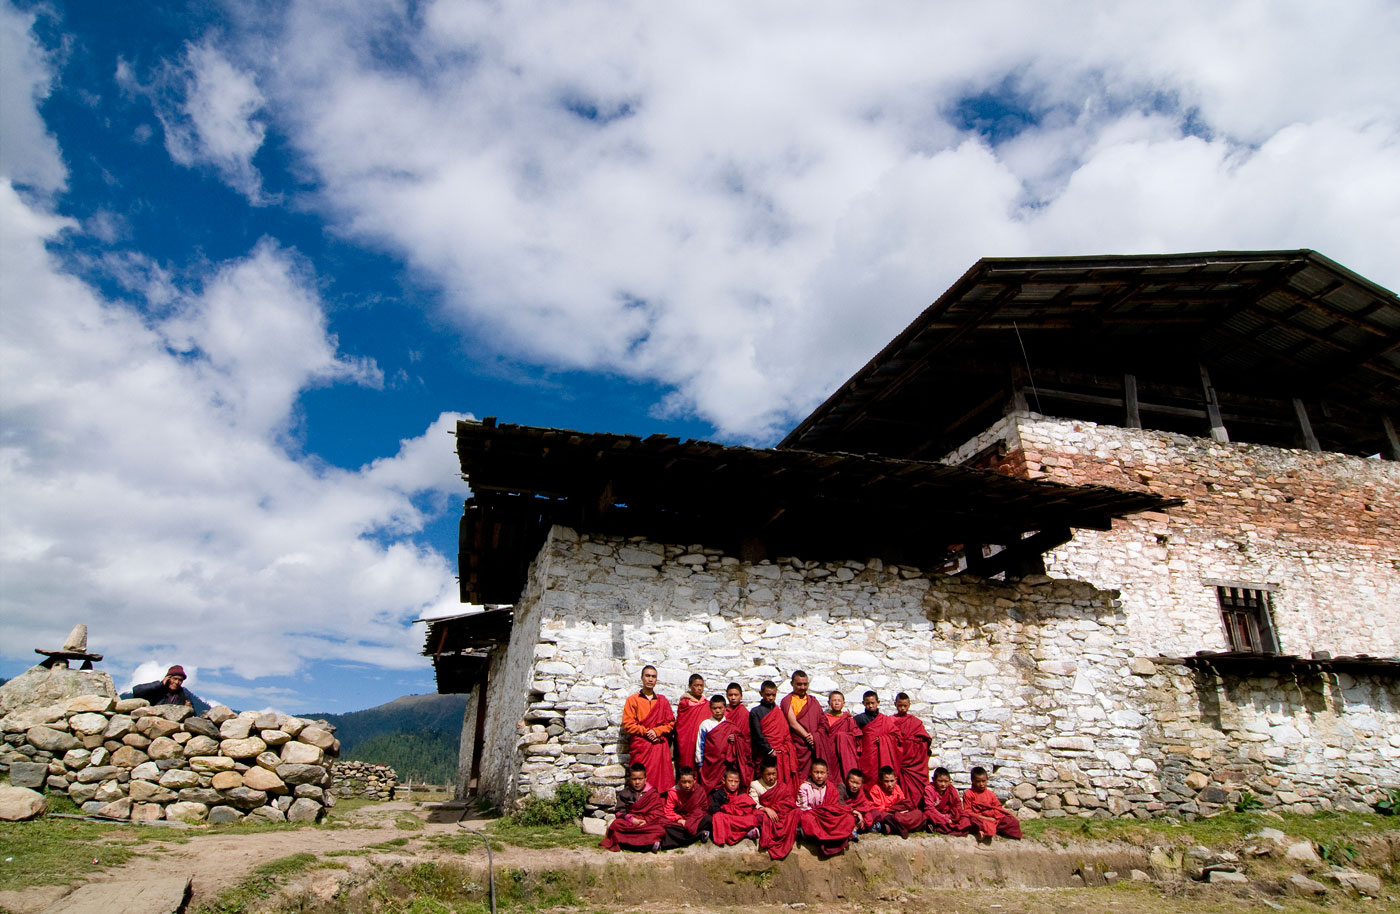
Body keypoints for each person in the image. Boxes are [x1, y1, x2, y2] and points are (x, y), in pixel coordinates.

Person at [622, 665, 676, 792]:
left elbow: (671, 723)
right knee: (640, 778)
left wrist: (657, 731)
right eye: (647, 676)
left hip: (658, 746)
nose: (650, 679)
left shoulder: (663, 701)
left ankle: (660, 806)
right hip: (642, 746)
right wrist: (646, 732)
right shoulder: (632, 700)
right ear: (642, 678)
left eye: (653, 676)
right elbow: (628, 724)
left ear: (656, 680)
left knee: (660, 780)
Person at [796, 759, 856, 857]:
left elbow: (834, 807)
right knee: (806, 819)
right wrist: (819, 813)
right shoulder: (804, 787)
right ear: (811, 773)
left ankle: (814, 835)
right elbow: (803, 809)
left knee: (848, 817)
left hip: (827, 816)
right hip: (813, 816)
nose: (819, 776)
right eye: (816, 772)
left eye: (822, 773)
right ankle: (815, 834)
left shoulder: (830, 787)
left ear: (827, 773)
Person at [601, 763, 668, 851]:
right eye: (634, 779)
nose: (637, 782)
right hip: (630, 823)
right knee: (616, 825)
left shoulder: (652, 794)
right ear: (630, 779)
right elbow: (619, 812)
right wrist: (631, 820)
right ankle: (648, 844)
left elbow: (658, 813)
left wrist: (645, 821)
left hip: (646, 823)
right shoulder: (625, 793)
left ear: (645, 779)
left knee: (660, 829)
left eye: (640, 779)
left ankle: (627, 843)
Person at [749, 758, 800, 860]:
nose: (772, 777)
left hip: (780, 815)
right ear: (762, 774)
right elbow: (753, 804)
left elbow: (790, 803)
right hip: (767, 815)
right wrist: (766, 809)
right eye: (768, 774)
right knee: (759, 816)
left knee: (797, 812)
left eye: (774, 774)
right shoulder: (755, 785)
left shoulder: (782, 786)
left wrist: (775, 809)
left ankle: (796, 831)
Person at [749, 680, 796, 787]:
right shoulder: (755, 712)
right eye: (768, 695)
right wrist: (770, 750)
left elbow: (785, 733)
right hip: (765, 754)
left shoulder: (778, 711)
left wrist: (785, 749)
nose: (771, 698)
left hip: (781, 753)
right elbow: (757, 734)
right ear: (761, 694)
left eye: (773, 695)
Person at [780, 670, 823, 784]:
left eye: (805, 684)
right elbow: (792, 722)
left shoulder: (813, 701)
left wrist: (815, 737)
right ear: (792, 684)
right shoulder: (787, 701)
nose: (802, 687)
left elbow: (822, 722)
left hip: (814, 744)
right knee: (798, 776)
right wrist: (807, 737)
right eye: (799, 684)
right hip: (798, 743)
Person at [890, 692, 932, 802]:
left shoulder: (915, 722)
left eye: (905, 705)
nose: (903, 708)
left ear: (909, 705)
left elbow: (925, 741)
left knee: (916, 790)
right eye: (900, 705)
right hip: (898, 761)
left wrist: (914, 743)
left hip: (913, 764)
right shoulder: (890, 721)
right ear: (895, 704)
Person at [814, 691, 860, 786]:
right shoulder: (824, 718)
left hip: (842, 754)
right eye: (834, 700)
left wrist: (842, 737)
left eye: (839, 700)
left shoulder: (848, 720)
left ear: (843, 703)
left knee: (841, 779)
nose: (836, 702)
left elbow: (856, 737)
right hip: (827, 752)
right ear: (829, 703)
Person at [964, 766, 1023, 840]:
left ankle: (987, 830)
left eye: (983, 781)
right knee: (970, 821)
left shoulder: (990, 794)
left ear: (987, 780)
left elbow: (998, 807)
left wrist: (991, 815)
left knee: (1012, 822)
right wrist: (985, 817)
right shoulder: (969, 793)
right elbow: (968, 812)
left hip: (993, 818)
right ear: (972, 781)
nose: (981, 784)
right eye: (978, 781)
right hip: (978, 818)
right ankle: (983, 830)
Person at [854, 691, 899, 788]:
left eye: (872, 703)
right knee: (868, 777)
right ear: (863, 703)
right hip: (867, 755)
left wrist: (884, 740)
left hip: (882, 755)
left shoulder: (885, 720)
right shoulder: (859, 719)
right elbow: (853, 736)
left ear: (878, 702)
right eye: (867, 703)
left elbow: (896, 736)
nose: (870, 706)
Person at [867, 765, 927, 837]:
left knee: (918, 813)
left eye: (892, 781)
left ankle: (893, 828)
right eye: (886, 781)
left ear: (896, 779)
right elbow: (879, 809)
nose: (890, 784)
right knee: (886, 816)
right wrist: (893, 810)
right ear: (880, 780)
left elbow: (903, 803)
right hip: (888, 815)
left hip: (899, 815)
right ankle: (907, 827)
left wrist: (900, 810)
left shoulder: (897, 787)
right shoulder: (875, 789)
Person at [709, 767, 761, 846]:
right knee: (718, 817)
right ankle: (745, 834)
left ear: (739, 782)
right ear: (723, 781)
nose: (733, 784)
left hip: (738, 819)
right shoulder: (718, 794)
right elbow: (714, 809)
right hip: (727, 819)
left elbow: (748, 807)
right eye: (730, 781)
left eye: (736, 781)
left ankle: (743, 833)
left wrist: (736, 810)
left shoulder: (741, 793)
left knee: (752, 818)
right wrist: (727, 808)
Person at [660, 767, 711, 848]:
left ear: (694, 780)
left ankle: (680, 839)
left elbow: (703, 808)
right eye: (684, 782)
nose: (687, 785)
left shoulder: (699, 790)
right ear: (678, 782)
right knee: (665, 825)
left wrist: (691, 820)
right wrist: (679, 820)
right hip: (680, 821)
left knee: (708, 819)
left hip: (694, 819)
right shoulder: (674, 792)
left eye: (690, 782)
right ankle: (699, 834)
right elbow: (668, 811)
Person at [923, 767, 976, 835]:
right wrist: (945, 818)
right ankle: (951, 827)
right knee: (928, 814)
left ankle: (945, 827)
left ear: (949, 781)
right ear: (934, 780)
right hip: (937, 815)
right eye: (940, 781)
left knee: (964, 816)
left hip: (949, 816)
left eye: (946, 781)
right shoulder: (929, 789)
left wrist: (951, 816)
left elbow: (957, 805)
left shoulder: (951, 789)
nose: (943, 784)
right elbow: (929, 808)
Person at [674, 673, 710, 775]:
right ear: (690, 686)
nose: (699, 688)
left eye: (701, 686)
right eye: (696, 685)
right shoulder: (684, 704)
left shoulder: (707, 705)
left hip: (703, 742)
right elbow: (681, 725)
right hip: (688, 741)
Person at [838, 767, 877, 834]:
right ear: (847, 780)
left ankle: (860, 827)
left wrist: (861, 812)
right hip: (847, 812)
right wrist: (854, 811)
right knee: (848, 818)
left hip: (857, 812)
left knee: (875, 813)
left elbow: (864, 804)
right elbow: (838, 804)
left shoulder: (859, 791)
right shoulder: (841, 788)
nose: (855, 786)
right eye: (852, 782)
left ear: (861, 784)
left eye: (858, 783)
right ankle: (856, 829)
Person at [695, 695, 727, 766]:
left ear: (725, 708)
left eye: (720, 708)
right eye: (714, 708)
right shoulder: (705, 724)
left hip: (725, 762)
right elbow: (700, 743)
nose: (717, 711)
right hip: (709, 762)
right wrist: (700, 763)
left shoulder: (728, 724)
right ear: (710, 708)